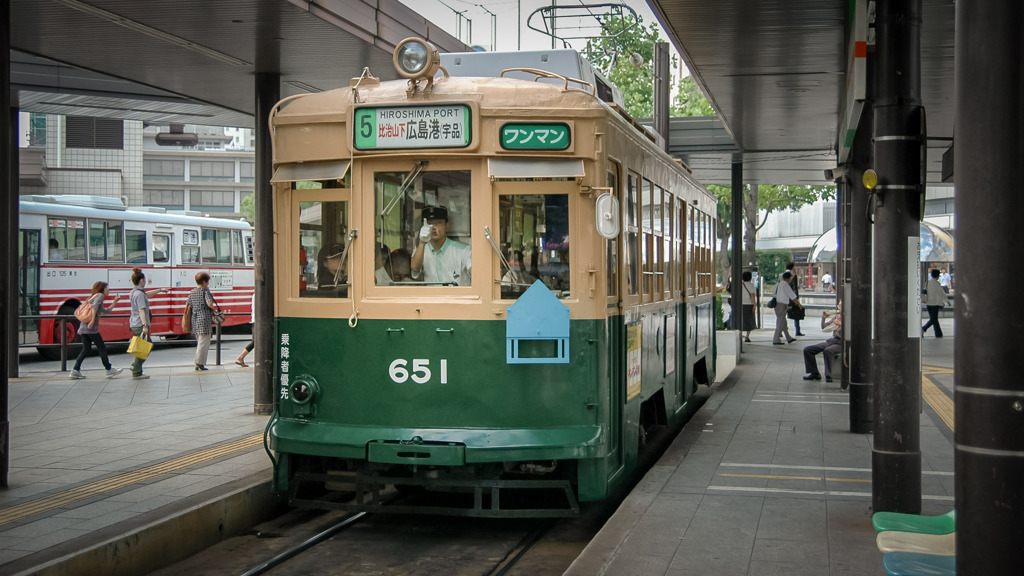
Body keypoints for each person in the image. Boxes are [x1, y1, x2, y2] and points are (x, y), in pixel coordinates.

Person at [69, 282, 123, 379]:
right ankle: (109, 369)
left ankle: (75, 370)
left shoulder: (93, 297)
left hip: (83, 328)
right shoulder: (100, 296)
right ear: (102, 289)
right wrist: (93, 320)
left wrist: (115, 302)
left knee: (86, 349)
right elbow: (94, 308)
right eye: (107, 288)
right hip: (91, 328)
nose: (108, 289)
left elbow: (106, 311)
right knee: (101, 347)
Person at [411, 205, 471, 286]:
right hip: (432, 298)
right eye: (429, 223)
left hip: (457, 298)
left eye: (438, 223)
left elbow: (477, 273)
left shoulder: (463, 250)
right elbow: (415, 269)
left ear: (446, 226)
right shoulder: (421, 250)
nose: (434, 227)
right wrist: (422, 242)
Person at [128, 267, 169, 380]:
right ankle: (136, 368)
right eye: (144, 280)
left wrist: (160, 290)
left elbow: (148, 294)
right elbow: (142, 310)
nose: (145, 282)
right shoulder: (140, 295)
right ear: (141, 280)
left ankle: (137, 370)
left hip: (134, 323)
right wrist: (145, 325)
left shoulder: (134, 292)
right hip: (140, 324)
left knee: (142, 346)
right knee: (147, 345)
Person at [803, 302, 843, 383]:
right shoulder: (836, 316)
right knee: (808, 349)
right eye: (838, 305)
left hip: (841, 342)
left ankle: (828, 374)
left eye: (841, 306)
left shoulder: (849, 318)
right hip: (831, 340)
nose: (839, 307)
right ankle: (814, 372)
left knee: (828, 350)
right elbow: (824, 327)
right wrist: (823, 318)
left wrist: (841, 323)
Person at [188, 272, 221, 370]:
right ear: (204, 282)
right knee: (204, 343)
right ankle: (199, 363)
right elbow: (210, 303)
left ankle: (199, 362)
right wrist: (214, 310)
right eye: (207, 281)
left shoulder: (192, 292)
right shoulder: (205, 291)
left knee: (200, 341)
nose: (208, 284)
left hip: (195, 319)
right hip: (204, 319)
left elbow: (189, 304)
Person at [772, 271, 802, 345]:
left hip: (777, 305)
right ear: (789, 278)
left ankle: (788, 338)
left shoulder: (777, 284)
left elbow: (773, 294)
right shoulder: (785, 285)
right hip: (782, 305)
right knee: (780, 323)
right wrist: (799, 304)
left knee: (783, 322)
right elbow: (793, 297)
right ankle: (776, 340)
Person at [922, 269, 946, 337]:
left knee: (934, 318)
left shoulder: (927, 282)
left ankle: (938, 333)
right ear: (938, 276)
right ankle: (923, 328)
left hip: (928, 303)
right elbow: (941, 293)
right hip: (935, 303)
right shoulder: (936, 283)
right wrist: (946, 301)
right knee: (933, 319)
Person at [784, 262, 804, 335]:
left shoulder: (782, 275)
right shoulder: (793, 276)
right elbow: (794, 288)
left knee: (782, 316)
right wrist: (796, 299)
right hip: (792, 298)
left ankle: (780, 331)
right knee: (796, 314)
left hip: (783, 298)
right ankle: (797, 331)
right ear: (792, 268)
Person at [236, 293, 255, 368]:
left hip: (255, 320)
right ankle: (241, 357)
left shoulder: (255, 295)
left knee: (256, 341)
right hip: (258, 321)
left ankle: (241, 357)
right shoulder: (258, 295)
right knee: (256, 341)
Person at [740, 270, 757, 342]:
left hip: (740, 305)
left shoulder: (740, 285)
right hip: (749, 305)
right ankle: (747, 336)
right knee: (749, 321)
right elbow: (752, 295)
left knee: (741, 321)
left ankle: (740, 335)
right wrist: (754, 305)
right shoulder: (751, 285)